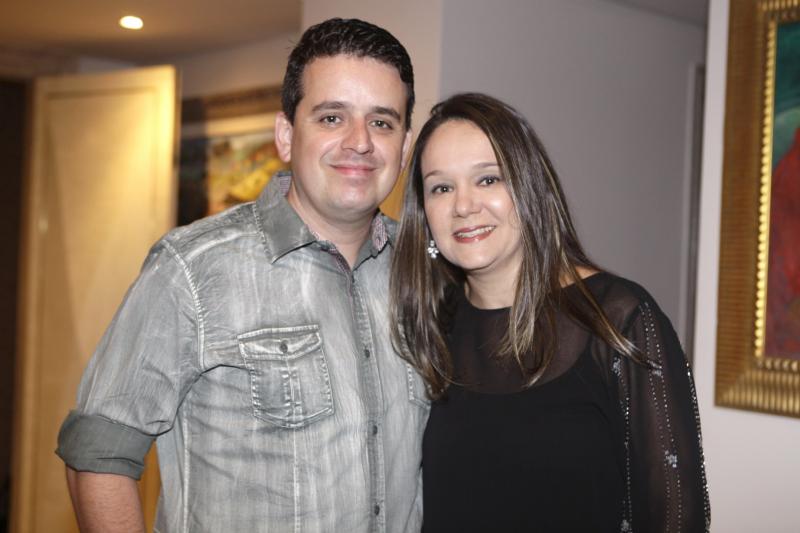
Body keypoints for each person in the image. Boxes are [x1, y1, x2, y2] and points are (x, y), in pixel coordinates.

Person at [57, 18, 428, 533]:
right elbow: (97, 452)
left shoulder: (424, 272)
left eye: (382, 123)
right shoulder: (192, 269)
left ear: (405, 147)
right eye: (331, 117)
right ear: (286, 135)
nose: (359, 142)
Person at [390, 93, 710, 532]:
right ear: (424, 213)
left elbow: (676, 519)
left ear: (529, 188)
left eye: (488, 179)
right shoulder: (432, 324)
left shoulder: (618, 319)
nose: (463, 206)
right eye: (441, 188)